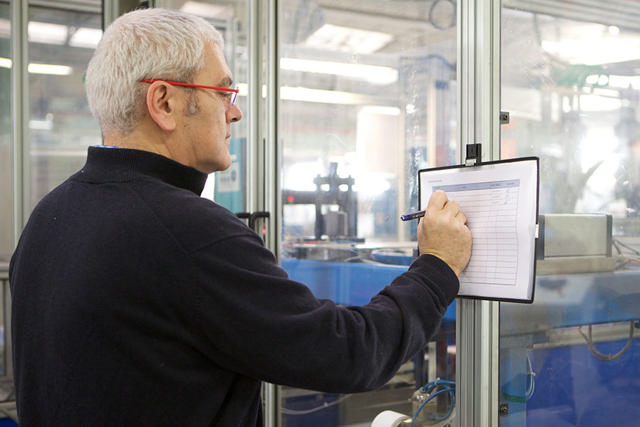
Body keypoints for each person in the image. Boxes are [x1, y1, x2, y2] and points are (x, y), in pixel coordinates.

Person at [9, 8, 471, 427]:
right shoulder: (189, 232)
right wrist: (436, 268)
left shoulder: (51, 214)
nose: (235, 112)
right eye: (223, 91)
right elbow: (350, 353)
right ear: (164, 102)